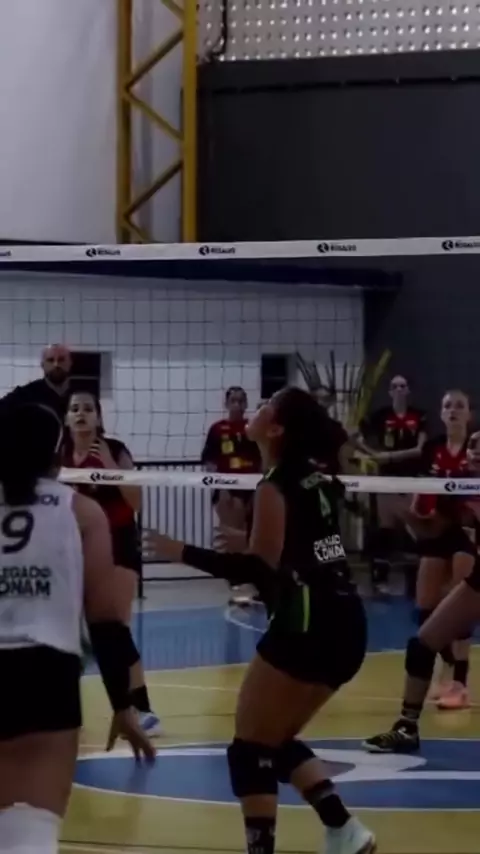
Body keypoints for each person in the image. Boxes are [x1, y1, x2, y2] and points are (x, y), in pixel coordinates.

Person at [145, 387, 375, 854]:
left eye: (268, 403)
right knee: (275, 738)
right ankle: (344, 830)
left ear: (276, 428)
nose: (257, 407)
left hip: (307, 624)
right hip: (346, 623)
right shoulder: (314, 478)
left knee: (249, 750)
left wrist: (180, 551)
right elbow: (307, 548)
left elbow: (257, 569)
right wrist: (251, 540)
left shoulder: (275, 484)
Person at [0, 403, 155, 854]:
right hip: (45, 674)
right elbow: (105, 618)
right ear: (58, 453)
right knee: (29, 832)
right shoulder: (82, 511)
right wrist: (123, 706)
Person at [363, 430, 480, 755]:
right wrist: (401, 508)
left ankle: (458, 682)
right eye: (473, 446)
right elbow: (431, 531)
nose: (476, 451)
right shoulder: (457, 487)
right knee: (422, 643)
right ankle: (406, 727)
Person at [63, 390, 162, 737]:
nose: (81, 414)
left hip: (118, 543)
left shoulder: (115, 449)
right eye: (75, 409)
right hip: (74, 546)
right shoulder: (60, 454)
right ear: (66, 418)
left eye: (88, 409)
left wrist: (109, 466)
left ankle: (144, 709)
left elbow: (136, 502)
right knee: (79, 630)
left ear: (98, 417)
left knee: (115, 628)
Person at [357, 375, 428, 594]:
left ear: (408, 391)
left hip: (411, 479)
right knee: (384, 530)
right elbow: (357, 437)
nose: (398, 389)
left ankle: (414, 582)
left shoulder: (419, 415)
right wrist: (374, 455)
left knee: (414, 530)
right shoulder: (380, 416)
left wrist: (388, 457)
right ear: (389, 391)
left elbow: (420, 450)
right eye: (394, 386)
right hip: (386, 480)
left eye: (402, 386)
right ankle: (380, 580)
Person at [202, 386, 262, 606]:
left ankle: (252, 580)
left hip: (253, 486)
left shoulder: (253, 428)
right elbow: (209, 461)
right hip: (227, 488)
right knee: (232, 533)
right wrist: (220, 485)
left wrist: (261, 487)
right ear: (226, 404)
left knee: (252, 534)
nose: (237, 404)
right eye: (233, 400)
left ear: (246, 403)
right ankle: (237, 582)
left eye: (241, 400)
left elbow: (262, 459)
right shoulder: (218, 429)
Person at [0, 344, 73, 421]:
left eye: (61, 360)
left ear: (70, 363)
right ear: (42, 365)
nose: (56, 365)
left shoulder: (80, 390)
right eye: (50, 360)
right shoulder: (25, 394)